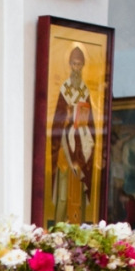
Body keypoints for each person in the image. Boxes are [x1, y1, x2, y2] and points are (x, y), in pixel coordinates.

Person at [49, 47, 97, 224]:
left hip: (81, 144)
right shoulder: (65, 89)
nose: (77, 68)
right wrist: (68, 117)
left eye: (80, 65)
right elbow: (57, 121)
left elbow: (90, 120)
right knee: (63, 194)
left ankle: (80, 227)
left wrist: (82, 120)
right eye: (74, 64)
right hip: (64, 149)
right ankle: (58, 229)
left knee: (79, 193)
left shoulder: (85, 90)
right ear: (70, 65)